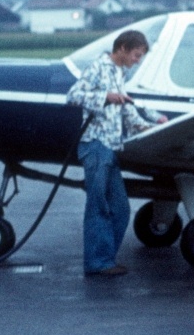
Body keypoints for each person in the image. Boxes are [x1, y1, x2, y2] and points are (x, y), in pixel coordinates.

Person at [66, 30, 166, 277]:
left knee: (120, 209)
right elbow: (73, 95)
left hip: (110, 149)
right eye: (136, 55)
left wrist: (155, 124)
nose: (137, 60)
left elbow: (127, 113)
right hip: (96, 146)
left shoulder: (119, 73)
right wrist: (105, 97)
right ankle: (98, 263)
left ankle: (104, 259)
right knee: (98, 206)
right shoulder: (98, 67)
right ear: (122, 48)